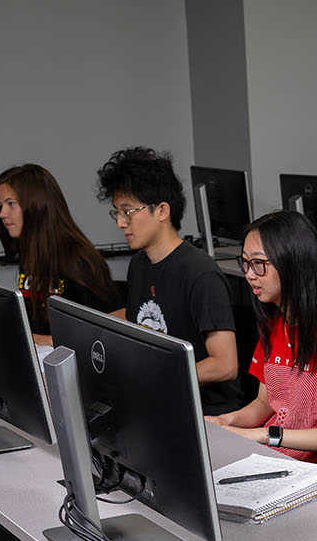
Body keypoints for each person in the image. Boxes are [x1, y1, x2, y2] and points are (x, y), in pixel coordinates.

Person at [207, 210, 317, 469]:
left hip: (316, 471)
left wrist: (263, 435)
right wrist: (227, 421)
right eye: (245, 263)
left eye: (258, 263)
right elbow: (264, 403)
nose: (249, 274)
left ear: (292, 262)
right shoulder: (273, 322)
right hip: (275, 458)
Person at [95, 146, 244, 414]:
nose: (120, 222)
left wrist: (155, 377)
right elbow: (134, 317)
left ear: (162, 211)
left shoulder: (200, 274)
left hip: (206, 412)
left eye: (128, 211)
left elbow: (225, 364)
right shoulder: (140, 263)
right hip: (161, 401)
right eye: (116, 212)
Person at [0, 164, 121, 346]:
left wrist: (38, 340)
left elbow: (106, 334)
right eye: (0, 205)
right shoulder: (30, 255)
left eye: (11, 203)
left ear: (37, 206)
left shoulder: (78, 259)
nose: (2, 214)